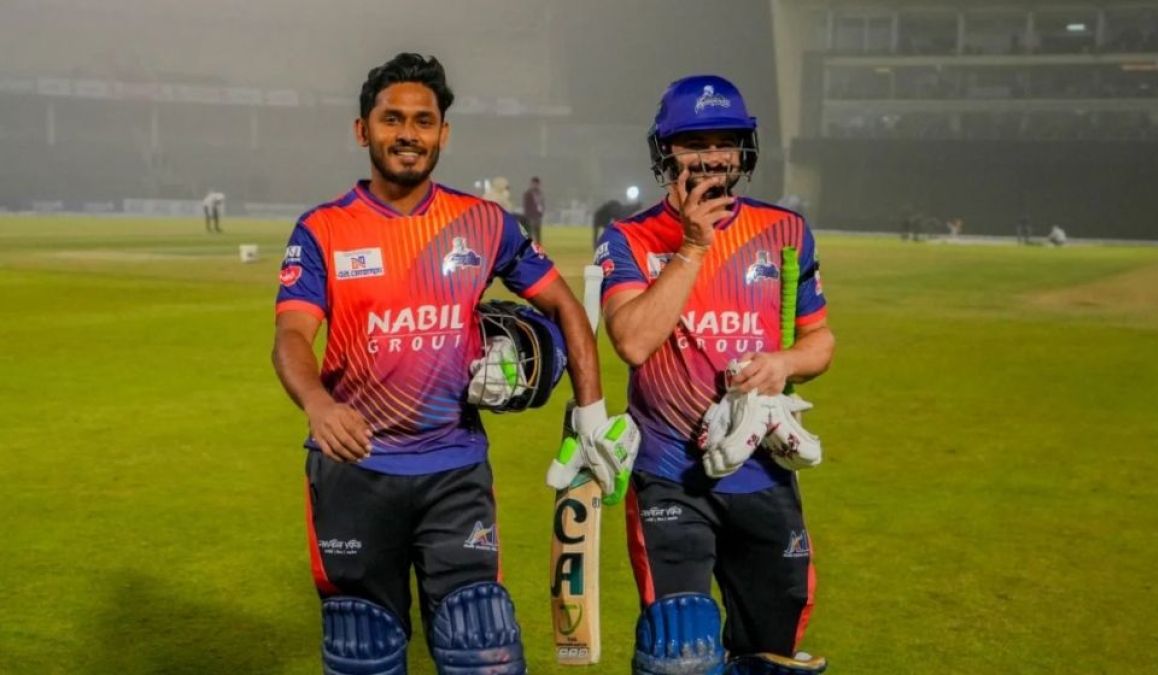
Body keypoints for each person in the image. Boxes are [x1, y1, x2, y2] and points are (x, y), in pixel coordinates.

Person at [271, 53, 637, 675]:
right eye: (391, 119)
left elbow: (566, 307)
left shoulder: (483, 222)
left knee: (481, 645)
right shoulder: (323, 229)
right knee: (362, 649)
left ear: (443, 133)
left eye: (423, 120)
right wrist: (318, 404)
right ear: (362, 130)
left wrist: (592, 415)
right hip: (354, 473)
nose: (407, 133)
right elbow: (290, 336)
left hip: (454, 471)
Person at [596, 75, 835, 673]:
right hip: (669, 475)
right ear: (665, 151)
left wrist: (784, 363)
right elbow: (632, 341)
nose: (710, 157)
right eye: (693, 143)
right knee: (678, 649)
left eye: (724, 142)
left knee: (772, 652)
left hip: (763, 472)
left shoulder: (785, 231)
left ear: (743, 149)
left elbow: (820, 341)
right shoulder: (627, 238)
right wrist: (693, 246)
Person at [522, 176, 545, 244]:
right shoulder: (528, 193)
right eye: (534, 183)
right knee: (529, 233)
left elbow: (542, 204)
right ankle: (529, 247)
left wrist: (541, 212)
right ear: (531, 183)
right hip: (530, 216)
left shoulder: (540, 193)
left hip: (538, 216)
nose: (535, 185)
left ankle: (538, 246)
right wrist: (527, 216)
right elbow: (526, 205)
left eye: (537, 183)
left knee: (538, 234)